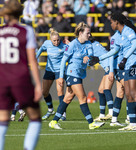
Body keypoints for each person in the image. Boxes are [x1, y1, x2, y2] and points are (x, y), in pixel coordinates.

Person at [90, 12, 136, 131]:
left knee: (134, 94)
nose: (110, 24)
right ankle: (132, 123)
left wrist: (125, 58)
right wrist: (99, 58)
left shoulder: (129, 31)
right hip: (127, 66)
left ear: (117, 22)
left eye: (111, 22)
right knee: (128, 95)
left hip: (135, 64)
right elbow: (113, 51)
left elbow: (135, 45)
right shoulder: (117, 36)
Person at [0, 0, 42, 149]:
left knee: (3, 120)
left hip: (2, 78)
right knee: (35, 117)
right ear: (20, 14)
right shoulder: (26, 31)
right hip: (20, 78)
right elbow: (32, 60)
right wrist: (37, 85)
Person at [49, 22, 105, 130]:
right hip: (71, 73)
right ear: (80, 33)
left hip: (79, 74)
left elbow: (91, 59)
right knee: (83, 97)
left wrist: (88, 58)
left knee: (67, 99)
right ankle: (91, 123)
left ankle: (53, 121)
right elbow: (63, 61)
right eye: (87, 33)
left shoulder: (89, 44)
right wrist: (60, 77)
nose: (89, 35)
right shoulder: (72, 45)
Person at [36, 28, 67, 121]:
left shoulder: (63, 45)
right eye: (54, 40)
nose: (56, 42)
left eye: (58, 40)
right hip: (49, 70)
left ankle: (62, 113)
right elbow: (41, 50)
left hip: (59, 71)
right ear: (50, 39)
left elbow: (70, 53)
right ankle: (50, 110)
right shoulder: (46, 43)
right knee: (44, 92)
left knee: (60, 92)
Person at [88, 35, 115, 122]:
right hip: (107, 66)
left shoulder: (90, 46)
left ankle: (111, 112)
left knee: (106, 89)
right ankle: (102, 115)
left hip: (110, 66)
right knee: (100, 91)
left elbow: (90, 61)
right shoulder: (95, 44)